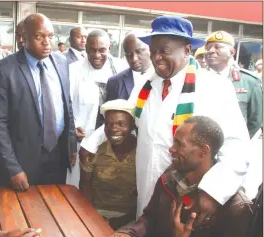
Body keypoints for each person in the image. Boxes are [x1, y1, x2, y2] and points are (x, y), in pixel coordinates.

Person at [80, 16, 250, 222]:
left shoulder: (214, 87)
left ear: (187, 50)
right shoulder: (147, 83)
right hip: (146, 190)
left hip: (190, 194)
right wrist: (91, 143)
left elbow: (237, 147)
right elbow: (126, 118)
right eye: (153, 51)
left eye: (164, 51)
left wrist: (213, 191)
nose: (156, 58)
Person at [100, 116, 253, 237]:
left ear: (203, 151)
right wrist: (131, 234)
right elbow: (150, 217)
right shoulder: (171, 176)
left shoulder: (236, 208)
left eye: (179, 144)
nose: (171, 149)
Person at [0, 13, 77, 191]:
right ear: (24, 38)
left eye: (50, 36)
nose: (47, 42)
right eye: (39, 37)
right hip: (23, 160)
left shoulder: (60, 61)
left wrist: (71, 143)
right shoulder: (4, 70)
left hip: (57, 155)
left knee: (54, 208)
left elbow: (66, 104)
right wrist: (13, 168)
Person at [67, 29, 125, 187]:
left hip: (110, 140)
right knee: (78, 186)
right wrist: (73, 127)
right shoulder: (74, 70)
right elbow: (67, 104)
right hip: (82, 138)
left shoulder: (120, 69)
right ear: (85, 48)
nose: (97, 55)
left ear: (109, 47)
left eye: (102, 50)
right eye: (92, 50)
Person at [80, 99, 137, 230]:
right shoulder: (94, 152)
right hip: (97, 213)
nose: (113, 129)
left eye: (121, 124)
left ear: (132, 126)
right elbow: (85, 186)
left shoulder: (142, 154)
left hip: (131, 218)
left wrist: (121, 221)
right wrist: (92, 217)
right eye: (108, 124)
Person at [205, 30, 263, 138]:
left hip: (232, 146)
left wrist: (238, 142)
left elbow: (255, 120)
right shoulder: (196, 78)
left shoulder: (249, 82)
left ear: (232, 52)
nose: (211, 51)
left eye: (217, 47)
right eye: (208, 48)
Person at [105, 31, 153, 102]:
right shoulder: (114, 82)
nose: (134, 59)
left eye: (138, 52)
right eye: (128, 54)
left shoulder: (164, 79)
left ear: (151, 49)